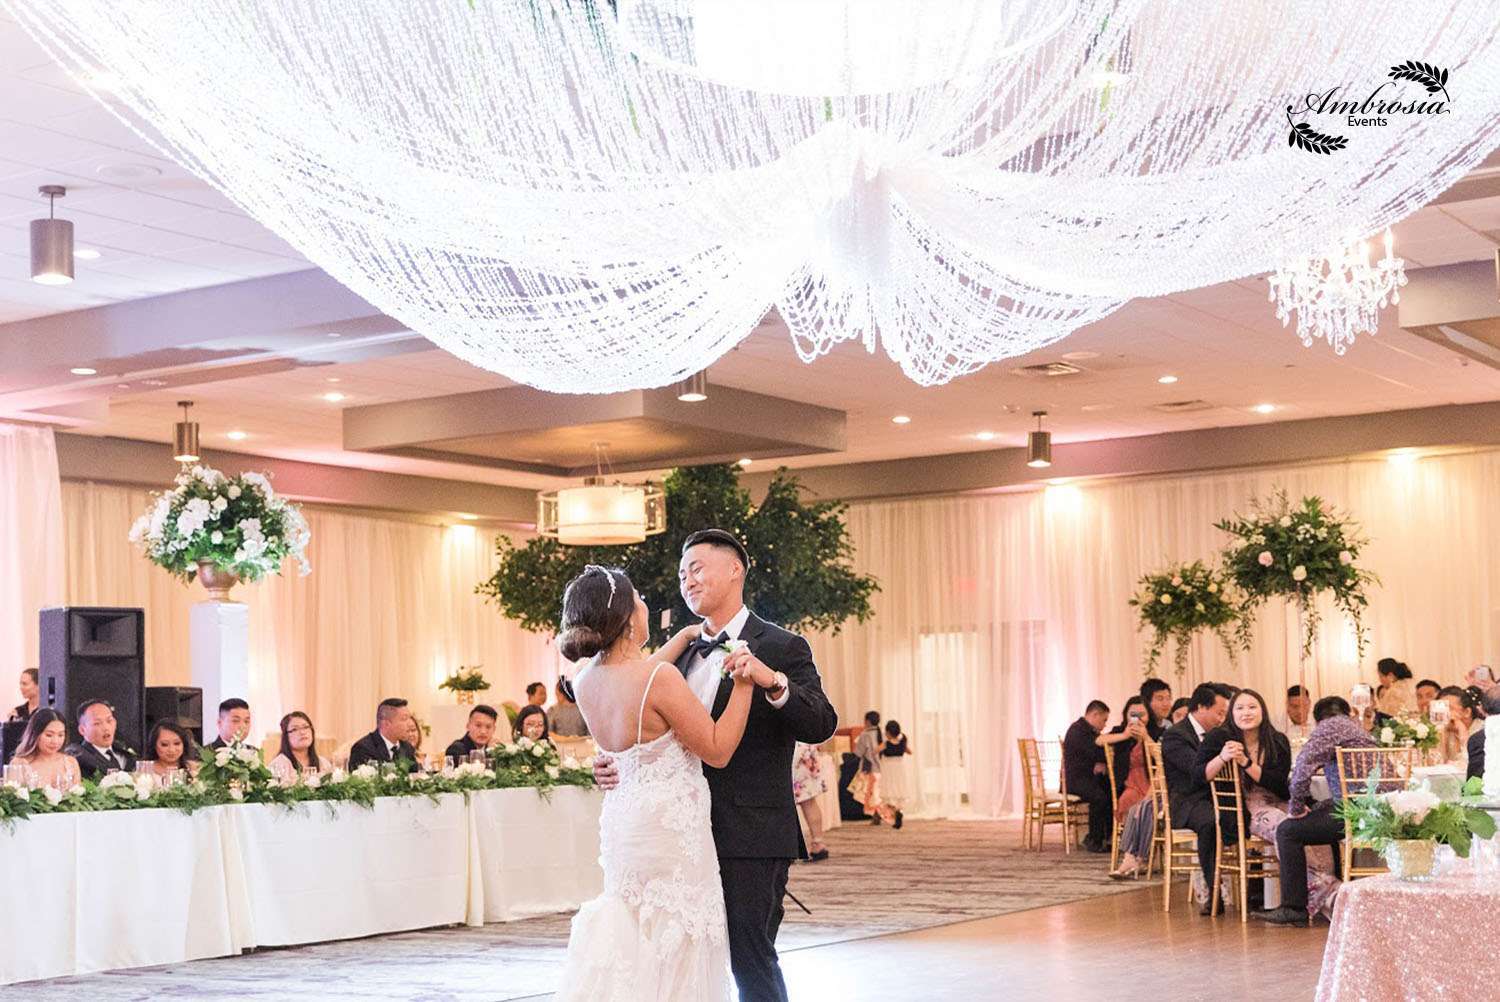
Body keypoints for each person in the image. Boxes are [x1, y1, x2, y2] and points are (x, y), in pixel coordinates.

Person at [591, 528, 839, 1002]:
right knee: (677, 956)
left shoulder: (782, 645)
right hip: (678, 836)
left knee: (750, 955)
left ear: (735, 570)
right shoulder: (676, 654)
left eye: (697, 569)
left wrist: (772, 681)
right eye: (682, 575)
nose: (687, 581)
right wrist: (608, 762)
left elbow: (822, 723)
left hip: (749, 831)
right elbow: (637, 723)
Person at [554, 564, 757, 1002]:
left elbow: (637, 677)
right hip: (671, 833)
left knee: (637, 934)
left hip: (625, 827)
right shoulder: (658, 679)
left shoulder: (585, 680)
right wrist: (744, 683)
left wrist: (683, 637)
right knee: (677, 935)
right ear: (629, 619)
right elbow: (717, 749)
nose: (646, 606)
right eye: (640, 600)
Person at [1256, 696, 1376, 926]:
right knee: (1319, 810)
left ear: (1318, 719)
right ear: (1348, 712)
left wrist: (1295, 808)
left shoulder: (1328, 728)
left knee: (1287, 830)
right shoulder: (1360, 730)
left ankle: (1294, 908)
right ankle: (1335, 891)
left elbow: (1302, 769)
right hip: (1379, 809)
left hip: (1355, 811)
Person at [1160, 682, 1232, 914]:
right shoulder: (1176, 736)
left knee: (1247, 816)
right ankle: (1214, 891)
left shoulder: (1222, 733)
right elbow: (1195, 772)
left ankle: (1255, 891)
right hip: (1188, 800)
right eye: (1219, 713)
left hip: (1218, 796)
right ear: (1201, 707)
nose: (1222, 718)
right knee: (1211, 823)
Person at [1102, 698, 1153, 878]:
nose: (1138, 718)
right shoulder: (1120, 731)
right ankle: (1135, 858)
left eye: (1142, 714)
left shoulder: (1156, 731)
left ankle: (1132, 858)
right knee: (1128, 801)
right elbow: (1099, 740)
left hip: (1152, 782)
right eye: (1133, 714)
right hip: (1130, 781)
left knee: (1142, 807)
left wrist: (1146, 737)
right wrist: (1124, 736)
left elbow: (1161, 757)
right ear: (1126, 715)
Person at [1062, 700, 1113, 854]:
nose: (1105, 725)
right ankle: (1094, 840)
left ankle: (1107, 837)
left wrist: (1101, 762)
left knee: (1111, 791)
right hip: (1075, 781)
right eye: (1104, 720)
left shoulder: (1087, 730)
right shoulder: (1078, 731)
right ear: (1095, 714)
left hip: (1087, 777)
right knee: (1099, 797)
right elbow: (1093, 750)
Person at [64, 699, 137, 780]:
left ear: (115, 723)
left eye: (109, 721)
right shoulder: (78, 756)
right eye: (97, 723)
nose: (106, 728)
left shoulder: (124, 752)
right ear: (82, 730)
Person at [11, 708, 81, 789]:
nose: (55, 741)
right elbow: (11, 795)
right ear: (35, 734)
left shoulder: (70, 763)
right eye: (49, 735)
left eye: (60, 735)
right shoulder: (19, 764)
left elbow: (78, 795)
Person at [348, 698, 418, 771]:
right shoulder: (363, 749)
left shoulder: (407, 748)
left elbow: (415, 775)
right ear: (386, 723)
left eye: (409, 718)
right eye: (404, 719)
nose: (410, 724)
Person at [792, 741, 830, 861]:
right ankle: (818, 843)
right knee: (809, 801)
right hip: (806, 748)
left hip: (790, 749)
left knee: (784, 803)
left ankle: (788, 847)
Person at [850, 710, 889, 823]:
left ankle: (877, 814)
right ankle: (879, 813)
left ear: (867, 721)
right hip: (882, 767)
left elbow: (858, 752)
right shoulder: (882, 734)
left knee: (870, 793)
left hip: (870, 767)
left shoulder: (865, 735)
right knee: (877, 792)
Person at [269, 711, 322, 782]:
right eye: (295, 729)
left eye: (306, 727)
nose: (302, 732)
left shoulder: (323, 764)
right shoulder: (279, 765)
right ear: (286, 736)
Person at [1436, 686, 1482, 766]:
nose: (1443, 714)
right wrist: (1442, 734)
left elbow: (1469, 763)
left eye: (1449, 708)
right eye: (1440, 709)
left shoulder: (1483, 731)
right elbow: (1437, 762)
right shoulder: (1446, 729)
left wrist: (1462, 730)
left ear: (1467, 712)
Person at [878, 719, 911, 830]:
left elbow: (875, 751)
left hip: (889, 768)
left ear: (888, 732)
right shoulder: (902, 742)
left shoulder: (886, 744)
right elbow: (910, 752)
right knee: (898, 790)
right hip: (899, 768)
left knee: (889, 790)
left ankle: (893, 817)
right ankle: (898, 812)